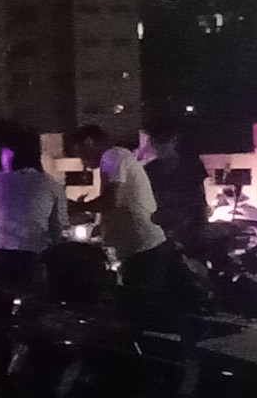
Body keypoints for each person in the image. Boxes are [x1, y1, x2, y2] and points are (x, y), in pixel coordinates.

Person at [0, 130, 67, 398]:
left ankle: (0, 394)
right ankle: (37, 385)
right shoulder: (51, 185)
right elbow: (58, 232)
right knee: (38, 321)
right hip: (32, 259)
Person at [73, 125, 170, 291]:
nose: (84, 163)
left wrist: (77, 206)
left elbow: (110, 201)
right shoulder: (117, 159)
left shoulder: (112, 156)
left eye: (81, 154)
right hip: (139, 249)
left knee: (138, 297)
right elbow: (118, 204)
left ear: (89, 142)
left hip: (142, 247)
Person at [141, 119, 209, 256]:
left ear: (174, 140)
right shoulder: (150, 170)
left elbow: (199, 197)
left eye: (163, 142)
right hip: (162, 230)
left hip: (190, 228)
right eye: (155, 142)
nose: (159, 147)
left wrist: (201, 224)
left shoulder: (191, 164)